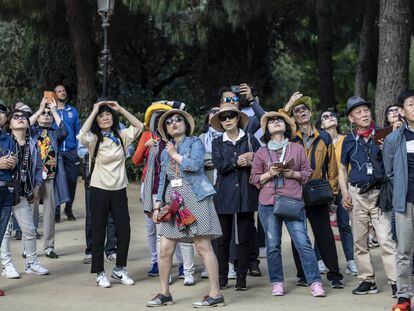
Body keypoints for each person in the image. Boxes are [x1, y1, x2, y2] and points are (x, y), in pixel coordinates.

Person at [147, 109, 224, 307]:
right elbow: (163, 179)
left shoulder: (195, 142)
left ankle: (216, 294)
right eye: (169, 122)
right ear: (166, 129)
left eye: (178, 120)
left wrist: (175, 154)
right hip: (174, 200)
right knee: (164, 249)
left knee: (202, 246)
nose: (174, 123)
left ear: (186, 124)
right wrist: (157, 204)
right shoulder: (164, 151)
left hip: (195, 196)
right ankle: (164, 293)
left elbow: (196, 166)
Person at [251, 109, 326, 297]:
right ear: (267, 129)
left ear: (286, 127)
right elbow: (254, 179)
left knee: (302, 242)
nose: (276, 122)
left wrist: (294, 174)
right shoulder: (261, 152)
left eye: (280, 120)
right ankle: (277, 281)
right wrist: (269, 174)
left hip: (293, 201)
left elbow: (308, 172)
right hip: (268, 203)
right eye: (272, 121)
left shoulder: (297, 148)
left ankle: (315, 282)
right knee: (273, 244)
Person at [77, 100, 143, 288]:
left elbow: (139, 126)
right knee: (98, 230)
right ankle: (99, 272)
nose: (104, 118)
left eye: (107, 115)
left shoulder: (122, 136)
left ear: (113, 118)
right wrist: (94, 110)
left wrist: (121, 108)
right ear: (96, 120)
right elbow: (81, 134)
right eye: (101, 116)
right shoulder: (93, 139)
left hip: (119, 189)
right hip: (99, 189)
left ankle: (120, 268)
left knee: (124, 230)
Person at [283, 92, 344, 289]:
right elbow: (277, 120)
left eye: (304, 109)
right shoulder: (290, 137)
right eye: (297, 111)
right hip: (295, 191)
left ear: (310, 112)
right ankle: (303, 274)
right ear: (293, 117)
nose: (302, 113)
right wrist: (289, 104)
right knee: (298, 235)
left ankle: (334, 275)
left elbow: (332, 168)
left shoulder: (324, 136)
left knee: (324, 233)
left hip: (317, 190)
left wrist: (333, 195)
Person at [338, 96, 397, 296]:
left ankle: (396, 281)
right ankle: (367, 280)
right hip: (357, 193)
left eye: (366, 110)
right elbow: (342, 168)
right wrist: (345, 193)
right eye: (358, 112)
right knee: (359, 241)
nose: (364, 114)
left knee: (385, 240)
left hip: (380, 193)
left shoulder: (383, 134)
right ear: (351, 118)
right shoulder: (348, 140)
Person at [137, 101, 195, 285]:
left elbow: (183, 108)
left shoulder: (181, 142)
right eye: (163, 120)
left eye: (173, 119)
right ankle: (161, 267)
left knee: (182, 230)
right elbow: (137, 160)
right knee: (158, 232)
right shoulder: (150, 139)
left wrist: (167, 103)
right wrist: (146, 146)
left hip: (179, 192)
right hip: (154, 192)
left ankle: (185, 269)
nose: (171, 122)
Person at [210, 104, 260, 291]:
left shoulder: (250, 139)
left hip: (247, 194)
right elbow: (220, 166)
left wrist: (252, 159)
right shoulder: (217, 142)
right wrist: (239, 160)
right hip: (224, 195)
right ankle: (222, 277)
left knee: (245, 238)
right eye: (223, 118)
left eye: (231, 116)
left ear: (238, 118)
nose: (227, 120)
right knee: (223, 239)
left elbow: (260, 163)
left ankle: (241, 278)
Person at [1, 109, 49, 278]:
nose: (21, 119)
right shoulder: (5, 141)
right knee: (5, 231)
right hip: (4, 192)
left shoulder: (33, 143)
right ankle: (7, 266)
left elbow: (37, 169)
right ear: (10, 124)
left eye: (24, 117)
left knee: (29, 230)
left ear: (28, 123)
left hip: (22, 193)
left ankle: (31, 263)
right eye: (16, 117)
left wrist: (36, 188)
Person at [383, 90, 414, 311]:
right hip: (406, 202)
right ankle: (404, 298)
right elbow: (390, 172)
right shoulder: (394, 139)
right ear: (402, 112)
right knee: (404, 250)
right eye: (412, 104)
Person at [316, 110, 357, 276]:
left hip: (343, 189)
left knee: (344, 225)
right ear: (321, 125)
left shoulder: (346, 140)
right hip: (323, 190)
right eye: (325, 117)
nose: (329, 118)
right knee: (322, 226)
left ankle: (351, 261)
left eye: (332, 115)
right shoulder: (318, 141)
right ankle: (319, 260)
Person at [29, 97, 70, 259]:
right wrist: (40, 109)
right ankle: (29, 247)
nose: (46, 116)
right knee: (31, 213)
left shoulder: (55, 132)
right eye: (43, 114)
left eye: (48, 114)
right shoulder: (32, 131)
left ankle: (48, 247)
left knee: (50, 213)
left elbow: (64, 130)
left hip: (51, 177)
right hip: (33, 178)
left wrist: (54, 110)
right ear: (38, 117)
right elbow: (27, 124)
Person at [54, 84, 81, 221]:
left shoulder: (73, 111)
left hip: (71, 151)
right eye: (59, 91)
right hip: (56, 152)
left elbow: (78, 132)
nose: (62, 92)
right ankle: (56, 212)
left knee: (71, 181)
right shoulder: (50, 112)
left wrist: (77, 150)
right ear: (54, 94)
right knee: (57, 181)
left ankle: (68, 209)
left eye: (64, 90)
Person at [0, 102, 17, 296]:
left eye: (2, 113)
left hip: (6, 190)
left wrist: (11, 162)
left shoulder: (8, 139)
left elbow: (12, 163)